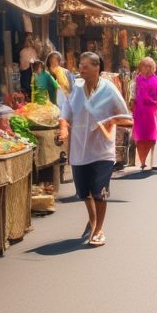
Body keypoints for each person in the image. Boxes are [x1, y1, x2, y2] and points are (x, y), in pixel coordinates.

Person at [58, 52, 132, 247]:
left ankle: (99, 229)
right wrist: (64, 129)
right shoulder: (76, 88)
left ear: (96, 67)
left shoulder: (109, 89)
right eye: (80, 65)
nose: (81, 68)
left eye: (85, 66)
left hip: (102, 150)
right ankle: (92, 220)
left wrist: (108, 120)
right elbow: (65, 113)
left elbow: (127, 117)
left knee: (99, 192)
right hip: (79, 150)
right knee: (85, 193)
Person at [131, 57, 157, 170]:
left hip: (151, 110)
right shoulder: (137, 80)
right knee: (139, 136)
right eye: (144, 66)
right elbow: (133, 94)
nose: (147, 68)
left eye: (149, 66)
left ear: (153, 68)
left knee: (151, 136)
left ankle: (146, 159)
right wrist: (132, 101)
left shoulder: (156, 80)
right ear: (140, 67)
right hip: (139, 110)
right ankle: (142, 161)